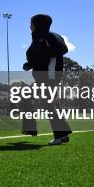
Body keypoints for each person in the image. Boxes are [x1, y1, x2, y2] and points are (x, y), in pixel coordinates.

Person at [22, 14, 72, 145]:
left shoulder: (49, 37)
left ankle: (59, 135)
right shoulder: (37, 39)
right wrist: (30, 64)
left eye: (31, 22)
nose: (30, 25)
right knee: (51, 104)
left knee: (48, 104)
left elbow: (61, 49)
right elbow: (38, 56)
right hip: (43, 76)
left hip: (50, 76)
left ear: (38, 24)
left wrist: (43, 56)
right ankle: (63, 134)